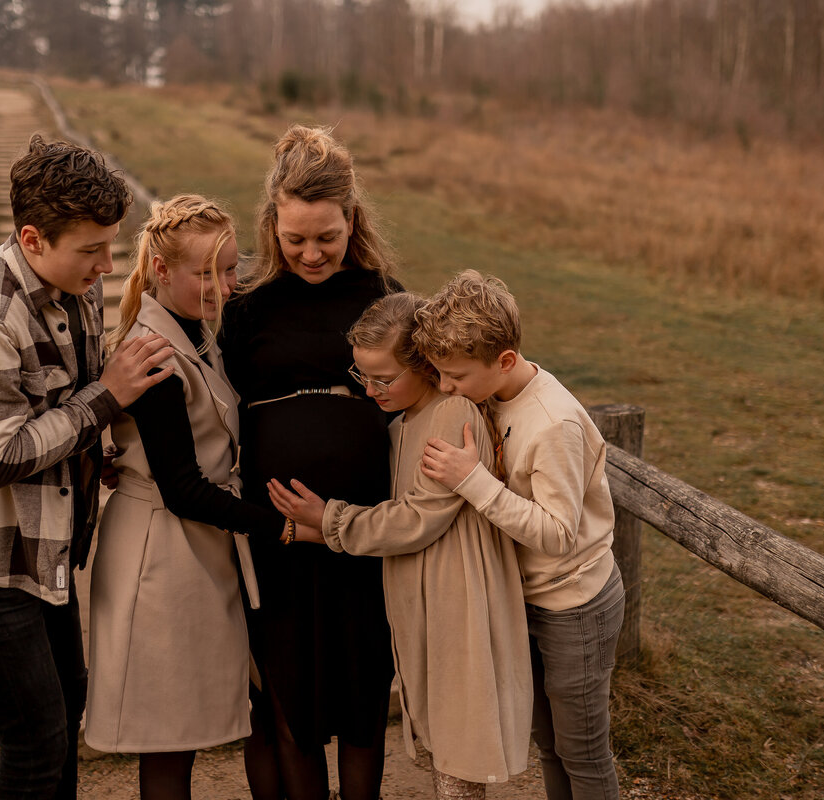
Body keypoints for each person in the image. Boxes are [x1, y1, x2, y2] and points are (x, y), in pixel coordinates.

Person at [0, 133, 175, 799]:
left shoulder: (72, 287)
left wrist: (99, 448)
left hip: (42, 539)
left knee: (66, 712)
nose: (106, 264)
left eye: (110, 245)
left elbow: (65, 404)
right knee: (35, 745)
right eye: (91, 250)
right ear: (33, 241)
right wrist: (105, 400)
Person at [265, 292, 533, 800]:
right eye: (361, 376)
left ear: (427, 366)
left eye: (383, 379)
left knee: (459, 751)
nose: (369, 390)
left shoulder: (451, 413)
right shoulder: (402, 422)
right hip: (422, 603)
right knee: (440, 743)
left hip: (458, 602)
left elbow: (420, 518)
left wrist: (330, 520)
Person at [85, 194, 293, 800]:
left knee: (214, 716)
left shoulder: (195, 332)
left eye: (229, 268)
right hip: (160, 557)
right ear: (159, 270)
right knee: (169, 741)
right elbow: (181, 489)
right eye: (205, 272)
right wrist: (277, 525)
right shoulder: (155, 355)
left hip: (194, 551)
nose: (223, 285)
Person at [217, 124, 402, 800]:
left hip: (364, 534)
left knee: (361, 698)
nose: (312, 252)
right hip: (281, 541)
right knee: (288, 700)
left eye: (327, 236)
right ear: (272, 225)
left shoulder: (385, 294)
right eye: (295, 239)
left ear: (351, 220)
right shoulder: (246, 306)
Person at [413, 270, 625, 800]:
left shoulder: (553, 424)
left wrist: (472, 481)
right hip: (524, 599)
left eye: (456, 376)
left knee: (584, 754)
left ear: (504, 360)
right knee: (549, 745)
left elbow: (557, 534)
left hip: (573, 604)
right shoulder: (495, 393)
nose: (446, 387)